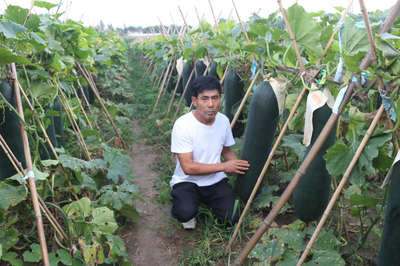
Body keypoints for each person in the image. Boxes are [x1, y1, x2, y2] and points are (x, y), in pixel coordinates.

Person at [170, 75, 250, 229]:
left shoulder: (223, 121)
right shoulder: (183, 125)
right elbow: (188, 168)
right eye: (204, 99)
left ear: (221, 98)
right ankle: (186, 205)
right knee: (185, 212)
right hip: (187, 181)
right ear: (194, 101)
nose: (211, 104)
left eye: (215, 98)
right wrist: (224, 167)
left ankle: (205, 201)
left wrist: (240, 167)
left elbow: (225, 150)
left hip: (215, 180)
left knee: (233, 219)